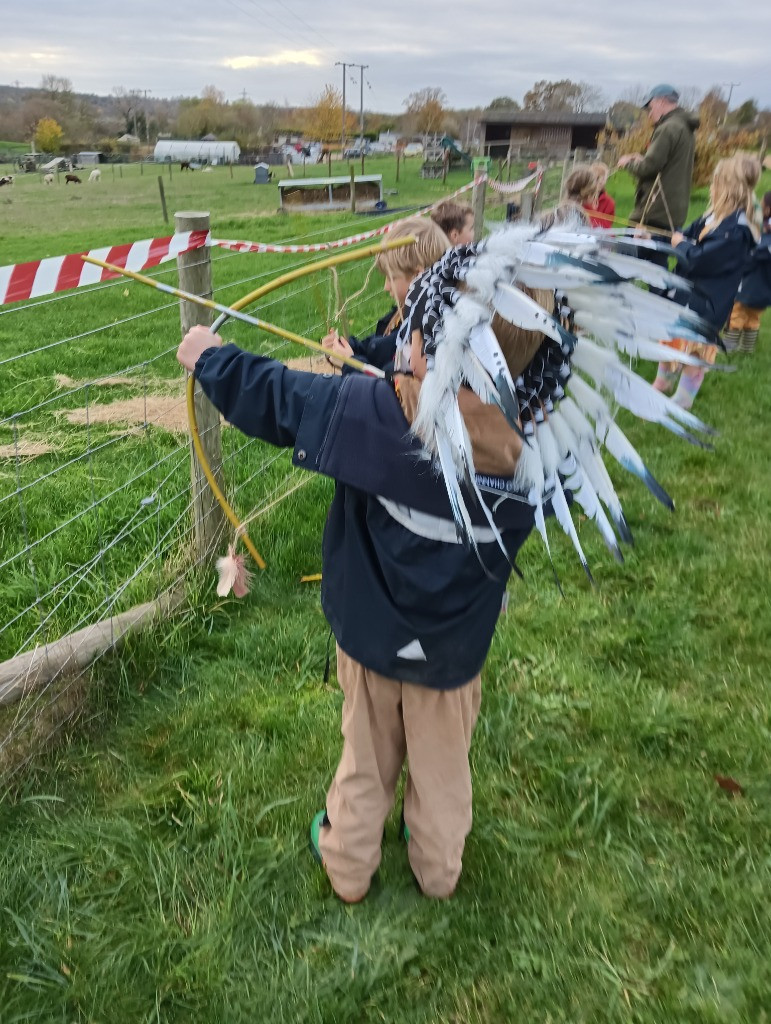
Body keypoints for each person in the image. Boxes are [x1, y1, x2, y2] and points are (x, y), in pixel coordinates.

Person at [176, 304, 548, 903]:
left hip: (374, 641)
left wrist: (210, 358)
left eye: (420, 334)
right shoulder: (542, 442)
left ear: (449, 348)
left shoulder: (378, 419)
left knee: (366, 759)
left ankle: (348, 867)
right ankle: (438, 870)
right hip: (453, 653)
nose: (408, 343)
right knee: (443, 765)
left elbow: (281, 399)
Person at [652, 157, 757, 408]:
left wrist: (682, 245)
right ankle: (663, 381)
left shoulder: (737, 231)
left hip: (709, 301)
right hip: (686, 293)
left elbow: (701, 259)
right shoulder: (713, 217)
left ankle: (683, 398)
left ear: (727, 187)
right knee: (671, 337)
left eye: (715, 182)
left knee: (695, 350)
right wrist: (660, 237)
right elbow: (684, 236)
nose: (710, 186)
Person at [321, 217, 449, 373]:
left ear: (418, 275)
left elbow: (387, 387)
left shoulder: (424, 333)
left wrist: (351, 363)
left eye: (391, 278)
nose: (386, 286)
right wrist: (346, 346)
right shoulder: (403, 313)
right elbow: (378, 347)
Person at [618, 85, 699, 235]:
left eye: (650, 107)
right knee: (657, 258)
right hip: (674, 213)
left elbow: (648, 168)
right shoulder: (685, 128)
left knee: (628, 256)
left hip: (654, 212)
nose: (649, 114)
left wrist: (627, 163)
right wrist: (642, 159)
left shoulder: (667, 128)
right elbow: (668, 164)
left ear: (661, 102)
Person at [725, 189, 771, 354]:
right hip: (766, 290)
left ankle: (728, 347)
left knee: (737, 314)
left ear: (767, 210)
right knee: (753, 318)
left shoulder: (764, 236)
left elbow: (754, 256)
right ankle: (747, 349)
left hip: (750, 286)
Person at [583, 161, 616, 228]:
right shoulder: (582, 198)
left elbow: (607, 225)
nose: (600, 182)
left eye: (603, 179)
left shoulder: (609, 202)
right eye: (597, 178)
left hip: (601, 235)